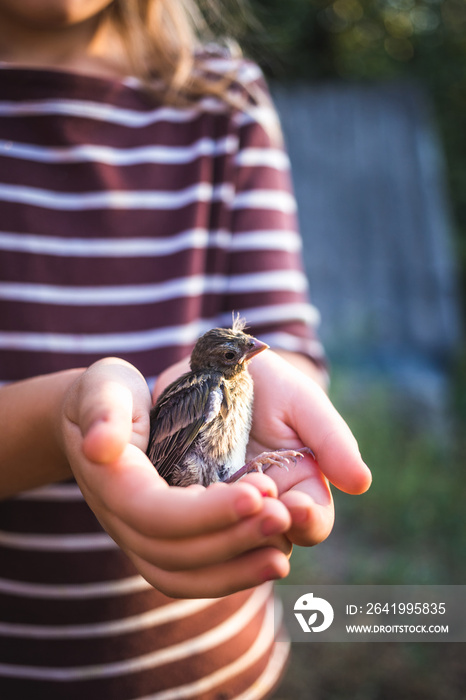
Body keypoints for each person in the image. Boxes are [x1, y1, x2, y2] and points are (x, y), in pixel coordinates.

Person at [0, 1, 372, 697]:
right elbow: (168, 445)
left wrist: (289, 398)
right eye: (240, 355)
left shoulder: (222, 97)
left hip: (218, 667)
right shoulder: (203, 393)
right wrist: (63, 420)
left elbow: (287, 341)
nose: (250, 356)